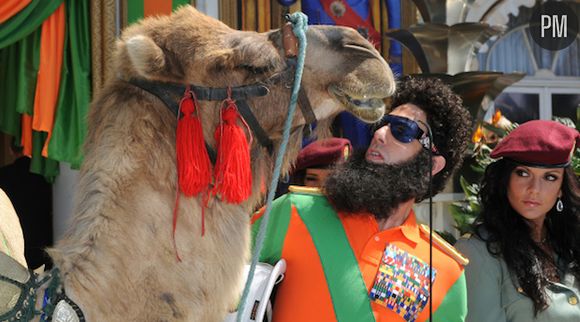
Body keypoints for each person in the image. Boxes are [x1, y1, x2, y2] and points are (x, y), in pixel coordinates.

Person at [251, 76, 472, 322]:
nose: (379, 133)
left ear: (432, 164)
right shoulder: (295, 212)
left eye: (402, 130)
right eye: (382, 123)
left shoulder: (446, 270)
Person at [455, 120, 580, 322]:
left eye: (550, 177)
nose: (534, 189)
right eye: (523, 173)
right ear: (506, 180)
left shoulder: (569, 244)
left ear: (561, 190)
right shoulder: (477, 252)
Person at [0, 143, 53, 269]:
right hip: (42, 242)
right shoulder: (44, 176)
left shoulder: (2, 175)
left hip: (13, 248)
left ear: (10, 150)